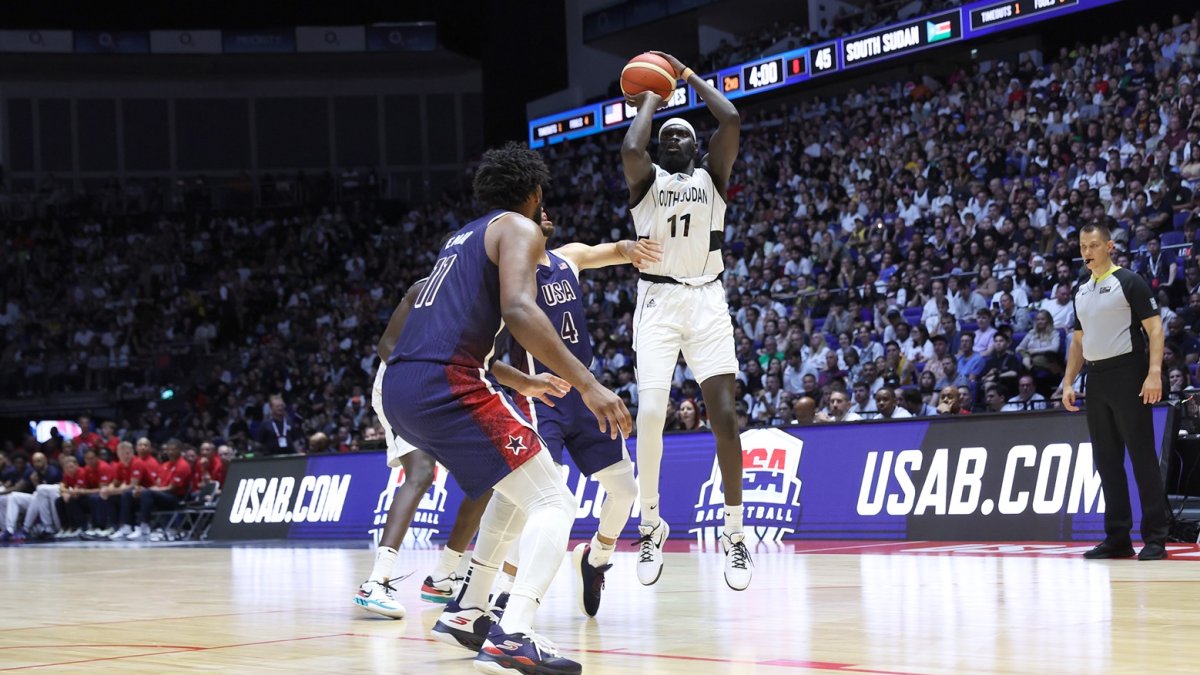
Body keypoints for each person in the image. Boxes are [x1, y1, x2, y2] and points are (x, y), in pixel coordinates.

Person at [381, 142, 631, 673]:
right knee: (556, 502)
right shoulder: (518, 228)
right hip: (446, 384)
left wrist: (527, 381)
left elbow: (477, 345)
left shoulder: (460, 239)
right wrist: (586, 383)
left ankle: (468, 611)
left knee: (521, 489)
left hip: (403, 385)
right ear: (534, 192)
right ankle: (513, 634)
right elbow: (519, 310)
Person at [620, 50, 752, 590]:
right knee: (651, 413)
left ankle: (735, 532)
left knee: (724, 417)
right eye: (666, 136)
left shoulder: (713, 179)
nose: (672, 140)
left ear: (696, 147)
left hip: (707, 302)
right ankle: (651, 522)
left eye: (682, 136)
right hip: (657, 304)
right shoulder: (646, 182)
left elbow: (733, 120)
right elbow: (632, 144)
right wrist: (655, 91)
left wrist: (689, 76)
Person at [503, 209, 657, 617]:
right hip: (542, 400)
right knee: (541, 499)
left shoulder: (566, 257)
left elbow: (602, 252)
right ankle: (506, 591)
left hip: (586, 395)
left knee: (625, 491)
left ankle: (596, 559)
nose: (547, 213)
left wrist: (628, 248)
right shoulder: (508, 277)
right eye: (537, 210)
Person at [1063, 222, 1170, 561]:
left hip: (1128, 374)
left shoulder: (1129, 281)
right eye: (1082, 246)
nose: (1087, 252)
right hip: (1095, 380)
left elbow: (1154, 329)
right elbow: (1079, 341)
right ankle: (1118, 538)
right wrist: (1068, 381)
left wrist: (1154, 374)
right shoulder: (1081, 291)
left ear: (1109, 246)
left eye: (1093, 246)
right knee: (1107, 462)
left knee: (1141, 458)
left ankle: (1155, 537)